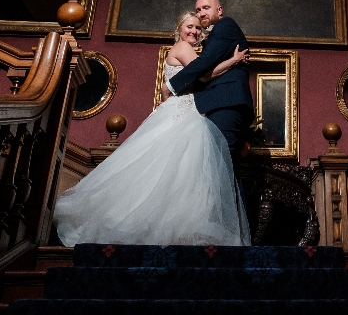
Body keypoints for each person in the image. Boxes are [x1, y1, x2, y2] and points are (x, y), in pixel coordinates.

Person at [53, 12, 252, 246]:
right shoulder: (184, 48)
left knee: (172, 172)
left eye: (198, 28)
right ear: (179, 29)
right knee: (179, 170)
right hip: (184, 113)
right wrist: (235, 60)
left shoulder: (182, 50)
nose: (194, 32)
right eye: (190, 26)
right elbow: (205, 76)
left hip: (184, 110)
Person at [168, 0, 253, 151]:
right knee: (218, 160)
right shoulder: (203, 41)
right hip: (216, 105)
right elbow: (205, 74)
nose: (201, 13)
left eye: (206, 8)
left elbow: (204, 63)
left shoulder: (226, 25)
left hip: (227, 102)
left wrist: (170, 86)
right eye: (198, 10)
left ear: (219, 10)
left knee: (222, 158)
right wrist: (234, 60)